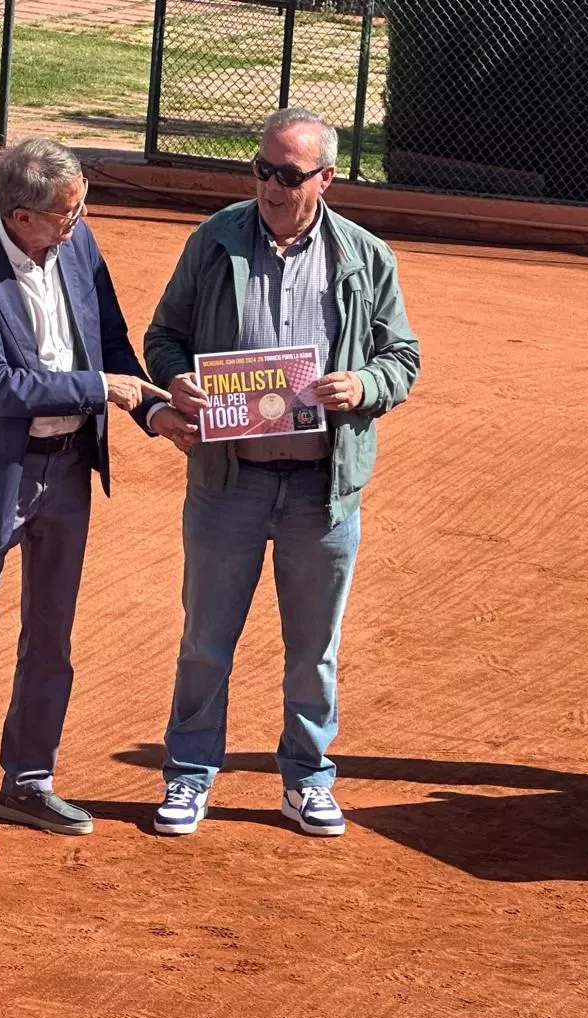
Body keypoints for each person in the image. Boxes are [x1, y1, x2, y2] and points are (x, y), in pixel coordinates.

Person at [143, 107, 421, 838]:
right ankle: (189, 775)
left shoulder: (364, 257)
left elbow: (402, 357)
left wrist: (364, 384)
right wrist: (176, 380)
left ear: (325, 179)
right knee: (206, 642)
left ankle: (307, 779)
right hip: (228, 480)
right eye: (262, 170)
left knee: (312, 652)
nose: (270, 185)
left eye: (288, 176)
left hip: (320, 490)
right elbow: (163, 336)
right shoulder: (215, 241)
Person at [0, 138, 185, 837]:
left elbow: (111, 341)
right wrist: (97, 388)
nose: (78, 223)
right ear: (21, 216)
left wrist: (153, 410)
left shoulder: (78, 245)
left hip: (70, 466)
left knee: (51, 634)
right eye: (66, 214)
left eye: (80, 209)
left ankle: (28, 781)